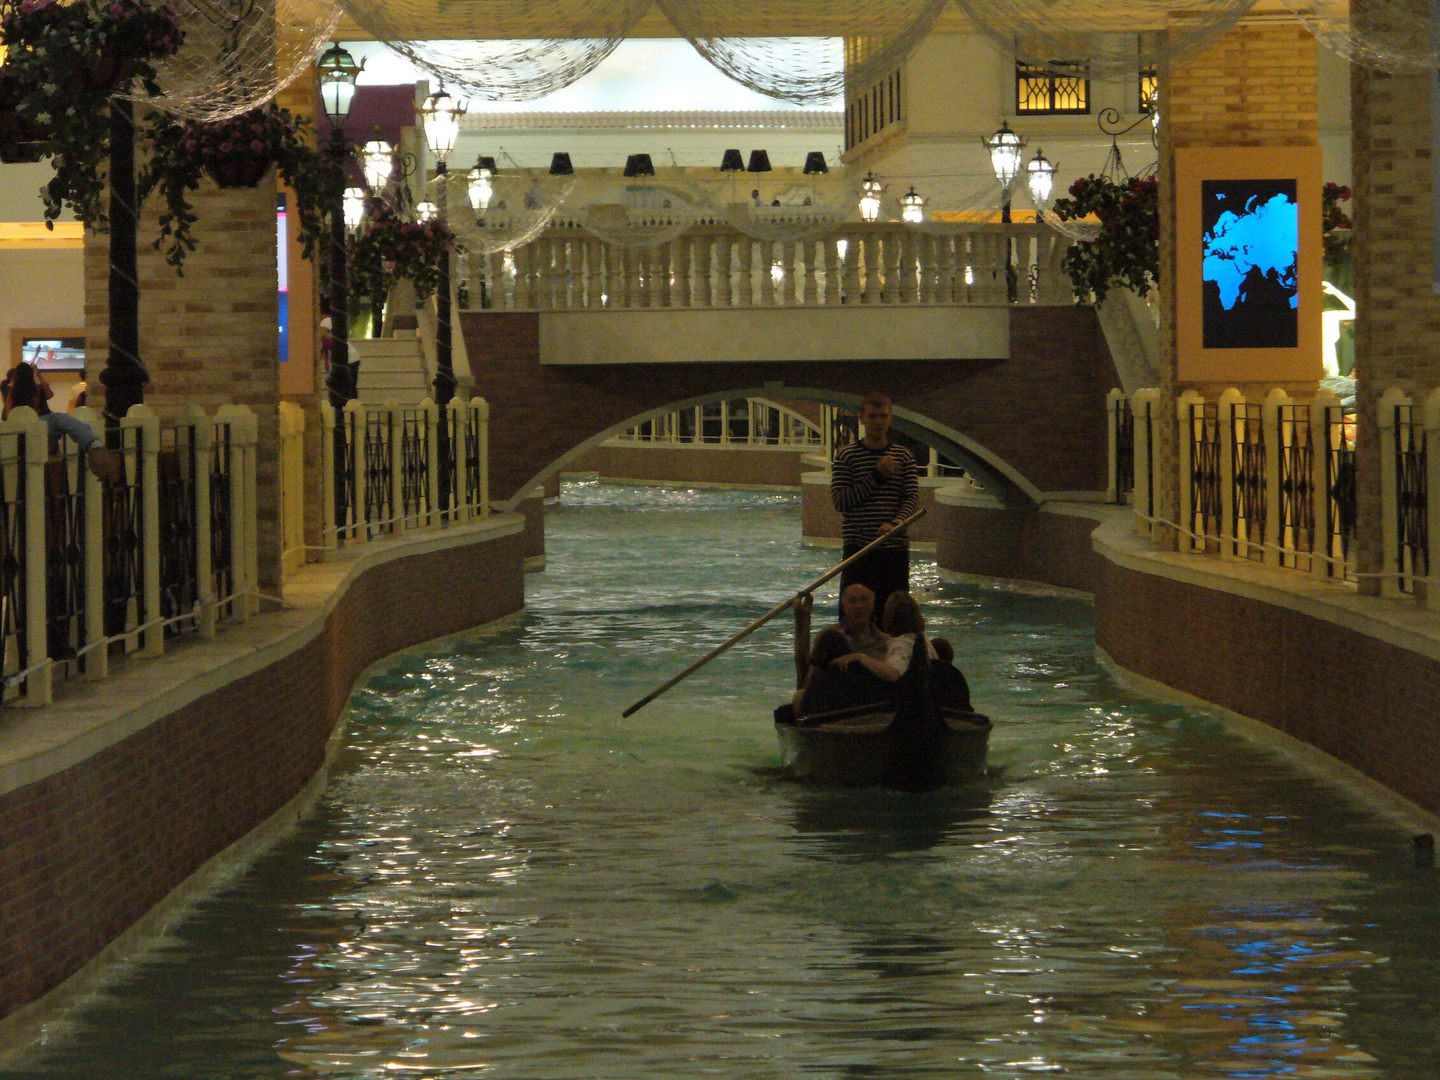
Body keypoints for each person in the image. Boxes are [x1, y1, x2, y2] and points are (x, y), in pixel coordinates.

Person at [831, 391, 919, 618]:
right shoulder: (846, 456)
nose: (878, 422)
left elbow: (911, 499)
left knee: (894, 619)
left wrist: (896, 524)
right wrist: (876, 477)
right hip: (858, 551)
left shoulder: (904, 457)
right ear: (861, 418)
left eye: (882, 416)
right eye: (872, 416)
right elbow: (841, 501)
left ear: (890, 418)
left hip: (894, 551)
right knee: (854, 618)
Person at [3, 362, 120, 481]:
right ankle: (94, 446)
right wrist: (39, 375)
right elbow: (49, 395)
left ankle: (94, 447)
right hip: (39, 426)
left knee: (63, 420)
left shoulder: (13, 391)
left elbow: (8, 414)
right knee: (66, 420)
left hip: (27, 429)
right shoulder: (34, 389)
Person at [791, 585, 891, 711]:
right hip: (834, 702)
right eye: (852, 601)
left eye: (864, 600)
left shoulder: (885, 641)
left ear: (872, 605)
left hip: (870, 703)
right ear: (844, 606)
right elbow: (809, 678)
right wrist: (802, 622)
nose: (858, 606)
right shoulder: (829, 638)